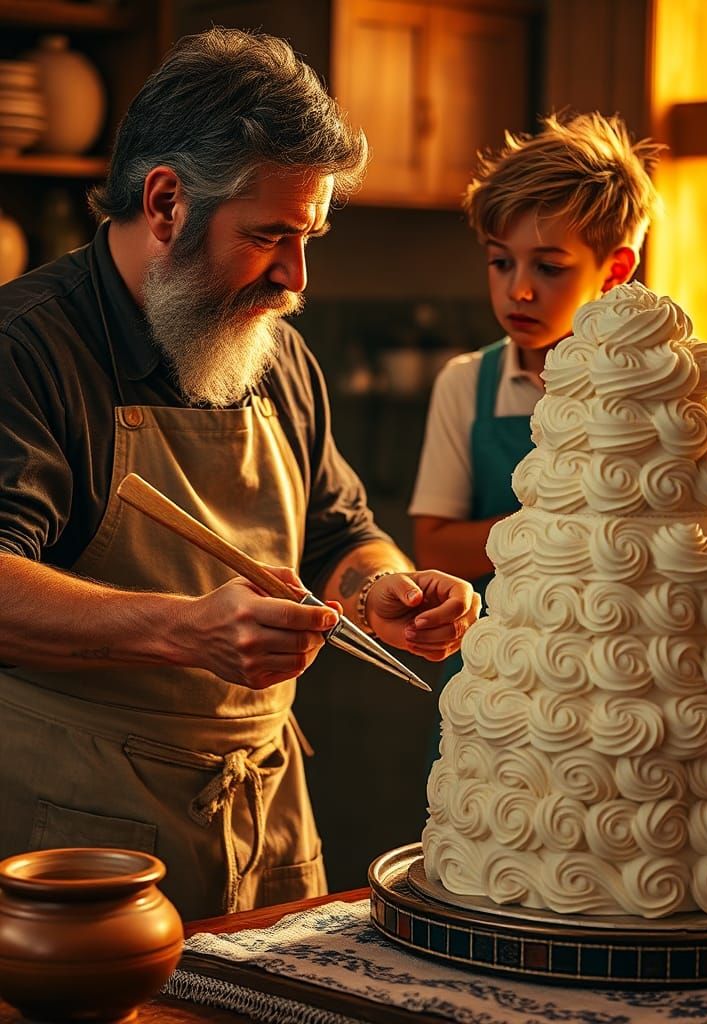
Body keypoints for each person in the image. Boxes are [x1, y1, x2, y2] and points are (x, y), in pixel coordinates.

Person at [0, 27, 480, 921]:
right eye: (269, 237)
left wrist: (384, 588)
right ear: (168, 201)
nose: (296, 276)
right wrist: (185, 630)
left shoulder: (280, 356)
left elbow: (341, 532)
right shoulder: (26, 350)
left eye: (311, 239)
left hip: (268, 823)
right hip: (73, 840)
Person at [409, 112, 663, 758]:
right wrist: (574, 534)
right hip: (498, 688)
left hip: (625, 693)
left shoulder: (648, 392)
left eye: (548, 268)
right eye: (500, 262)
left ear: (616, 268)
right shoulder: (467, 384)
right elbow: (434, 543)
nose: (517, 289)